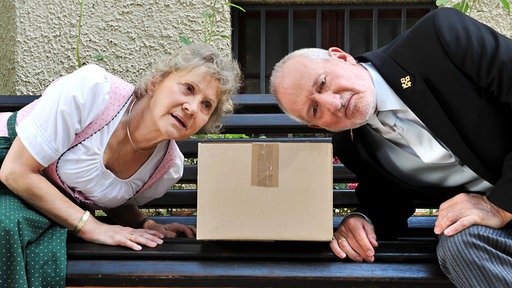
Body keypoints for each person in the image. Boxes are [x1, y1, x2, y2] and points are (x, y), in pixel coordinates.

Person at [270, 7, 512, 288]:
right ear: (317, 126)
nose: (333, 104)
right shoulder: (352, 144)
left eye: (323, 83)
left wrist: (500, 205)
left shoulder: (439, 36)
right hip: (495, 234)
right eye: (314, 109)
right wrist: (363, 219)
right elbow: (387, 203)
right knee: (458, 245)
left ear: (341, 57)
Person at [0, 42, 241, 287]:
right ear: (155, 83)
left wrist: (144, 223)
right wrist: (91, 227)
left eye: (206, 105)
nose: (192, 108)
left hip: (46, 205)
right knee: (4, 223)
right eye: (188, 88)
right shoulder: (92, 91)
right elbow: (15, 171)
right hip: (9, 167)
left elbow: (104, 191)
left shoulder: (168, 167)